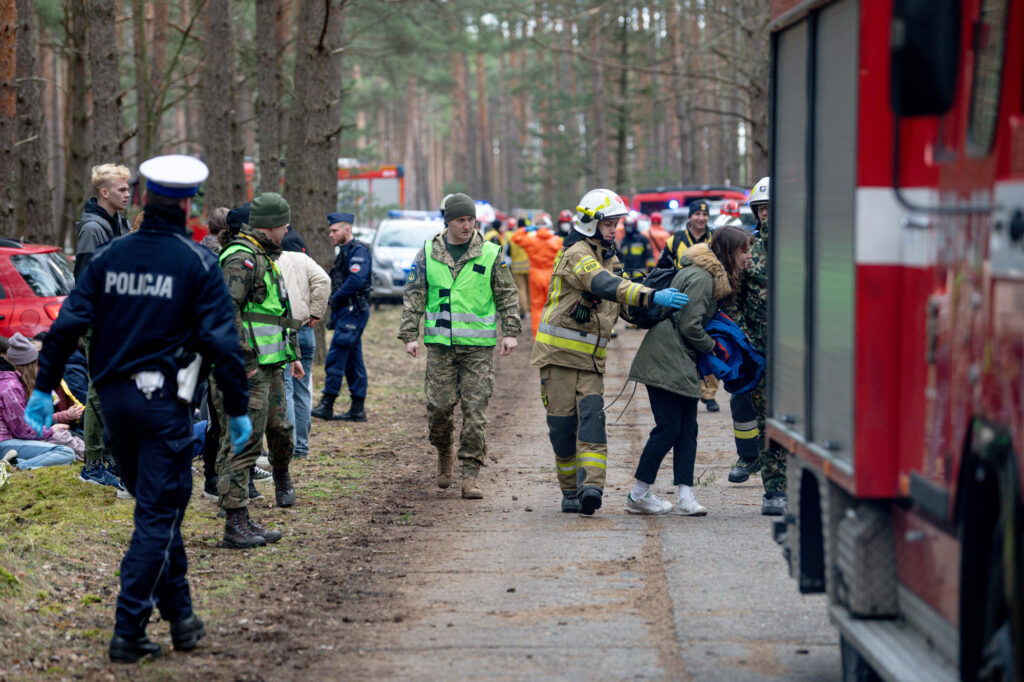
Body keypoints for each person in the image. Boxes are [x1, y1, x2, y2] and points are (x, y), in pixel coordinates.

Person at [24, 154, 252, 663]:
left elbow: (66, 323)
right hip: (165, 406)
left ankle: (182, 618)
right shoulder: (196, 262)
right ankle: (128, 628)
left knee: (157, 507)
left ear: (145, 197)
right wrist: (237, 411)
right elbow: (223, 344)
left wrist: (43, 390)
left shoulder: (110, 257)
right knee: (157, 515)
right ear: (188, 203)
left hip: (117, 408)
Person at [529, 188, 688, 516]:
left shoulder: (608, 256)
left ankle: (592, 488)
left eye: (616, 222)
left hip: (589, 362)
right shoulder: (578, 253)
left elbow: (625, 302)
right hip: (557, 357)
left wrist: (658, 306)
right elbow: (603, 285)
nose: (614, 228)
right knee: (562, 429)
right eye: (609, 223)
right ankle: (570, 490)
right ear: (590, 223)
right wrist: (649, 296)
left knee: (592, 421)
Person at [398, 192, 521, 499]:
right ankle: (443, 451)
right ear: (448, 222)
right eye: (461, 220)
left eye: (470, 220)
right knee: (439, 409)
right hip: (440, 346)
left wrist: (511, 331)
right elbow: (415, 293)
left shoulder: (491, 252)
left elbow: (507, 294)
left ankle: (470, 474)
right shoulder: (428, 251)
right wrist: (409, 334)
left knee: (475, 410)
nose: (467, 226)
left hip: (478, 349)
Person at [625, 226, 753, 516]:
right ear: (730, 252)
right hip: (665, 358)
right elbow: (690, 326)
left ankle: (685, 496)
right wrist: (713, 349)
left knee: (688, 430)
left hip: (677, 358)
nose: (747, 256)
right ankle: (638, 495)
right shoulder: (702, 278)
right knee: (669, 428)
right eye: (744, 250)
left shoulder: (705, 274)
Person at [216, 191, 305, 545]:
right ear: (269, 225)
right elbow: (227, 314)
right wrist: (246, 363)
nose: (287, 230)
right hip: (247, 370)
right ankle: (234, 522)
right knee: (243, 442)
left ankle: (243, 517)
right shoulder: (242, 259)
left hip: (272, 365)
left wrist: (293, 352)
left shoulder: (266, 257)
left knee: (279, 431)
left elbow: (276, 313)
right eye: (284, 224)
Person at [722, 176, 787, 516]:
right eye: (760, 209)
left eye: (771, 209)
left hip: (800, 352)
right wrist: (746, 339)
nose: (765, 215)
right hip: (761, 350)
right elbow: (733, 299)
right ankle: (775, 490)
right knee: (768, 420)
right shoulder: (749, 251)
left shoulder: (806, 246)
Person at [75, 164, 133, 490]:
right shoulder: (93, 229)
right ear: (104, 193)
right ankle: (92, 465)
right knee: (98, 391)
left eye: (128, 188)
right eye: (122, 189)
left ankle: (108, 457)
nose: (128, 194)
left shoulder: (119, 223)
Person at [656, 199, 720, 412]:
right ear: (690, 217)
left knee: (706, 343)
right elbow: (662, 269)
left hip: (707, 299)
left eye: (704, 215)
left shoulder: (715, 239)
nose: (701, 218)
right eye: (697, 214)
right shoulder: (675, 241)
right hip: (679, 300)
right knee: (682, 345)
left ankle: (709, 393)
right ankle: (683, 388)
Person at [311, 212, 372, 422]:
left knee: (336, 356)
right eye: (330, 230)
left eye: (334, 230)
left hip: (353, 311)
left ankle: (327, 404)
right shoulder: (344, 252)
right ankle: (357, 408)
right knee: (353, 360)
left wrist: (334, 297)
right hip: (346, 312)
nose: (331, 234)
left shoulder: (358, 251)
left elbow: (357, 279)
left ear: (347, 229)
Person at [277, 247, 330, 458]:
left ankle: (288, 448)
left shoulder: (272, 259)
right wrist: (316, 312)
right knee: (303, 389)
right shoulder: (303, 259)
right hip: (306, 329)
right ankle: (302, 446)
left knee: (286, 389)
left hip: (284, 329)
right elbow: (323, 281)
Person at [1, 334, 78, 469]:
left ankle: (15, 462)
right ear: (31, 364)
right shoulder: (10, 388)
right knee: (64, 452)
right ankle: (16, 466)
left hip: (10, 441)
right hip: (4, 443)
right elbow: (22, 430)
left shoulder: (12, 383)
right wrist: (51, 430)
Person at [508, 219, 562, 338]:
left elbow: (515, 237)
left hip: (535, 274)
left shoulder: (530, 240)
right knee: (551, 306)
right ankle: (551, 335)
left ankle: (538, 336)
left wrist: (525, 229)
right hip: (549, 274)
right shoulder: (556, 240)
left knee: (537, 307)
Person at [507, 217, 532, 319]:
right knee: (529, 289)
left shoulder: (513, 237)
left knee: (521, 289)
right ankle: (531, 308)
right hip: (529, 267)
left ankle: (523, 310)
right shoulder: (529, 236)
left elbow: (508, 253)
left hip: (517, 268)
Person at [617, 213, 654, 278]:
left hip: (640, 275)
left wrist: (651, 272)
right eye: (626, 225)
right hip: (627, 276)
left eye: (630, 225)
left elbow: (650, 257)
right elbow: (621, 258)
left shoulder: (642, 239)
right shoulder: (624, 241)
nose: (628, 227)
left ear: (634, 225)